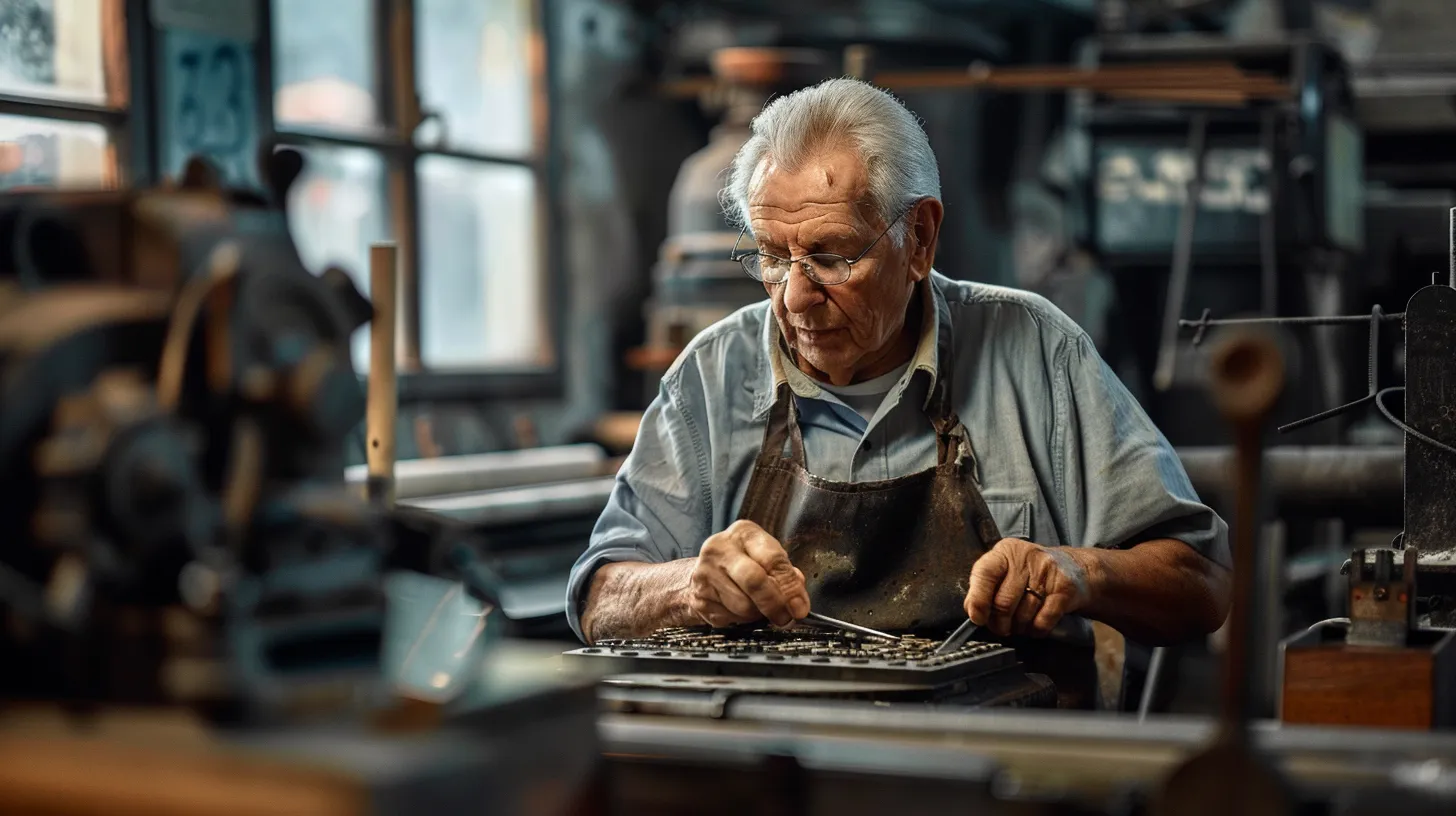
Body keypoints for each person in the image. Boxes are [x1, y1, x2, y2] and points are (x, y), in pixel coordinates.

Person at [567, 78, 1230, 671]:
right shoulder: (711, 376)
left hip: (993, 767)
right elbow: (598, 596)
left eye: (830, 258)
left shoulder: (1033, 349)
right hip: (775, 764)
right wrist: (688, 587)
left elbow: (1202, 583)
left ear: (918, 238)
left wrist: (1080, 572)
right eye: (772, 257)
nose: (794, 297)